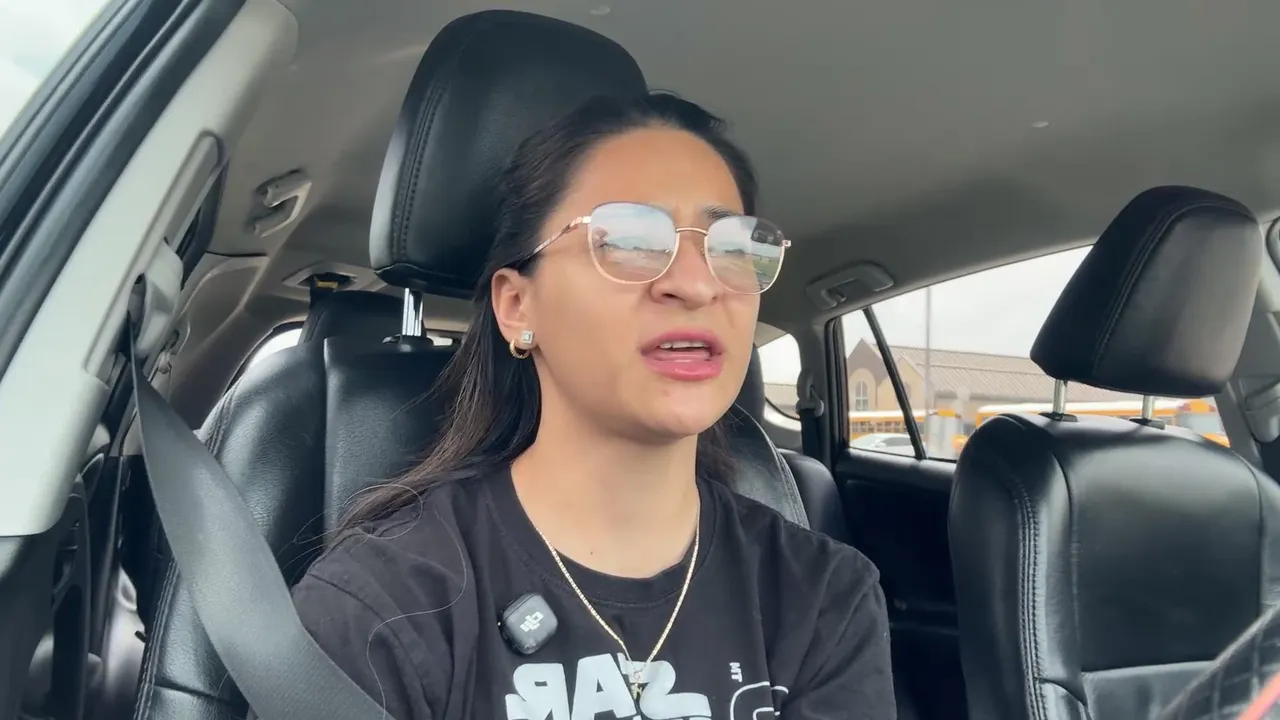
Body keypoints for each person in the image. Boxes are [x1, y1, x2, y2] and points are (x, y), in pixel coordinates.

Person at [291, 91, 896, 720]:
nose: (697, 284)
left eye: (734, 246)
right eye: (630, 238)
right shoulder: (382, 608)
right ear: (517, 307)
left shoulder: (822, 597)